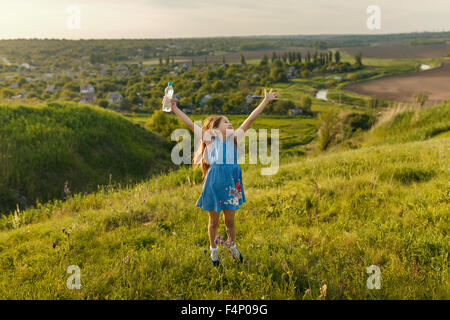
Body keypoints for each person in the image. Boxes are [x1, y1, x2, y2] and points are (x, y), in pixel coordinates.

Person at [165, 88, 279, 266]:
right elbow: (189, 124)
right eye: (225, 122)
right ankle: (213, 250)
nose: (230, 123)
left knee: (230, 221)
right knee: (214, 222)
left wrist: (265, 101)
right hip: (214, 184)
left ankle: (232, 246)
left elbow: (250, 119)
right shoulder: (210, 140)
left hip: (232, 183)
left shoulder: (235, 138)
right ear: (215, 128)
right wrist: (175, 109)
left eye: (230, 121)